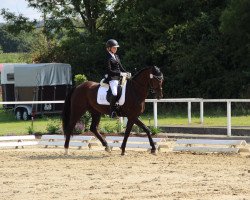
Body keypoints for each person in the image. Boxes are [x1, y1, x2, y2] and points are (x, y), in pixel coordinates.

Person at [105, 39, 130, 118]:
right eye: (114, 48)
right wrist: (120, 73)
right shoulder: (108, 58)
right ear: (109, 48)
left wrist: (126, 72)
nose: (116, 49)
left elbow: (120, 67)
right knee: (115, 93)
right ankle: (112, 111)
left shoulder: (116, 56)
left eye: (116, 48)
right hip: (112, 78)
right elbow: (109, 71)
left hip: (120, 78)